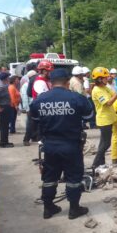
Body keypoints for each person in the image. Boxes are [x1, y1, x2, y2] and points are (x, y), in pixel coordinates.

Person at [30, 69, 93, 220]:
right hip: (71, 145)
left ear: (51, 82)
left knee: (49, 177)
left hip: (50, 146)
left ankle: (48, 208)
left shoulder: (39, 100)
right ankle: (73, 209)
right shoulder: (77, 98)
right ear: (67, 82)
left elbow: (35, 121)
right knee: (73, 177)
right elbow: (89, 116)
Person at [91, 67, 117, 168]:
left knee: (103, 143)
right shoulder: (97, 90)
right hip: (104, 120)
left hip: (108, 118)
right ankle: (95, 164)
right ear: (99, 79)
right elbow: (109, 102)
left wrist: (116, 93)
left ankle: (101, 164)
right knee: (106, 144)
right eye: (105, 77)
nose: (108, 79)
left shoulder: (105, 87)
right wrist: (116, 94)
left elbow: (115, 95)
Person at [22, 70, 39, 146]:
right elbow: (25, 98)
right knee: (30, 124)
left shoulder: (36, 83)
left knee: (37, 123)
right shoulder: (26, 85)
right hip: (31, 106)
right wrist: (27, 108)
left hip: (37, 105)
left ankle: (35, 137)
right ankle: (26, 139)